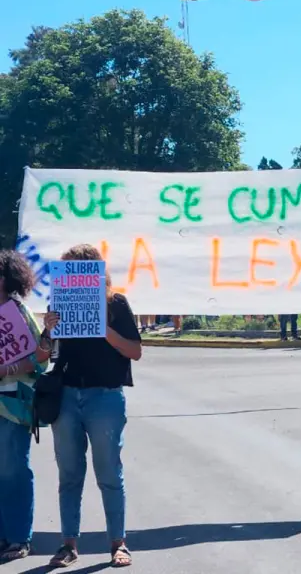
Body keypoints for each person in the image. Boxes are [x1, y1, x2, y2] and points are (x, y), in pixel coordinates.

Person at [47, 244, 142, 569]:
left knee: (109, 472)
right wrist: (47, 329)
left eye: (79, 269)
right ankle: (68, 545)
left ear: (95, 273)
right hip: (68, 396)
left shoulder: (115, 304)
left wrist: (104, 330)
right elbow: (46, 354)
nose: (73, 276)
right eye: (67, 269)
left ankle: (119, 543)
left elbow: (135, 351)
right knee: (69, 474)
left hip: (105, 397)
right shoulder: (58, 303)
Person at [0, 250, 54, 564]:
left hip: (12, 404)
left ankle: (19, 537)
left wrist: (6, 370)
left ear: (6, 280)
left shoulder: (18, 312)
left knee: (13, 471)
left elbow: (40, 359)